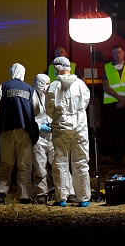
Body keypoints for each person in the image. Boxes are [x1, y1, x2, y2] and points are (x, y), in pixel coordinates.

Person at [0, 63, 40, 205]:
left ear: (11, 72)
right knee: (24, 164)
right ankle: (24, 196)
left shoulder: (3, 86)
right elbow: (36, 110)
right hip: (24, 131)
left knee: (6, 163)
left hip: (6, 129)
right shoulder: (30, 89)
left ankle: (1, 193)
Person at [46, 56, 91, 207]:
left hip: (61, 127)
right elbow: (85, 103)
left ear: (57, 68)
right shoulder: (81, 85)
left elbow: (49, 109)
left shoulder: (53, 86)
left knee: (60, 162)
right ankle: (83, 198)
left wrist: (60, 117)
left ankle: (61, 198)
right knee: (81, 162)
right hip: (80, 127)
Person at [32, 73, 76, 204]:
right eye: (45, 83)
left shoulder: (53, 94)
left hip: (53, 135)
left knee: (61, 164)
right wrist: (39, 126)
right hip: (39, 137)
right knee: (39, 167)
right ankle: (42, 194)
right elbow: (28, 116)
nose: (47, 86)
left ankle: (69, 192)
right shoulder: (32, 97)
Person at [102, 44, 125, 162]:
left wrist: (124, 99)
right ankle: (118, 158)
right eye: (114, 53)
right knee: (114, 131)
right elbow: (105, 86)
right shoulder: (107, 67)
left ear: (123, 53)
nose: (117, 55)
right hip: (112, 103)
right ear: (112, 55)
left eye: (119, 52)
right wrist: (119, 98)